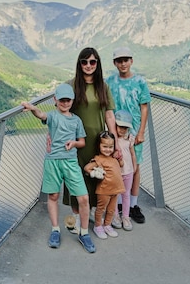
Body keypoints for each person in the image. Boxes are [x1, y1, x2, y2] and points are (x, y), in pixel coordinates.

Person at [21, 83, 96, 253]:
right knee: (53, 195)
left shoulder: (76, 120)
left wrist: (74, 143)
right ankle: (55, 230)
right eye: (61, 100)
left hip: (70, 162)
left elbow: (82, 142)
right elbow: (41, 114)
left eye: (68, 100)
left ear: (72, 100)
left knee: (83, 198)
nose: (65, 103)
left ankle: (84, 233)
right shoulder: (53, 117)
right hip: (52, 161)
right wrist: (32, 108)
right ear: (55, 100)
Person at [62, 47, 119, 235]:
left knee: (97, 180)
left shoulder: (103, 86)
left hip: (98, 142)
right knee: (75, 178)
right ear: (79, 64)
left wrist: (115, 143)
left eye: (92, 62)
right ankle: (77, 218)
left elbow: (109, 116)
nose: (88, 66)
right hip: (76, 142)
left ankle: (94, 215)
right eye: (84, 62)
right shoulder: (71, 86)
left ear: (97, 64)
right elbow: (61, 113)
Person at [106, 46, 151, 224]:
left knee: (134, 167)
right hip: (115, 133)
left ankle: (132, 205)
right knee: (116, 166)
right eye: (119, 60)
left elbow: (144, 107)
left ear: (131, 61)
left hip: (133, 133)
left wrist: (141, 131)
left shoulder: (140, 82)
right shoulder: (109, 81)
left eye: (126, 60)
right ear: (115, 63)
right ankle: (118, 204)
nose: (123, 63)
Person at [83, 131, 125, 239]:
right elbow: (87, 168)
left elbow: (121, 165)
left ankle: (107, 225)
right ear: (99, 146)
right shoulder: (98, 159)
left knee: (111, 210)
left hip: (115, 190)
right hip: (104, 190)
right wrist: (94, 173)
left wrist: (120, 158)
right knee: (101, 209)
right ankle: (97, 226)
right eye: (105, 146)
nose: (108, 149)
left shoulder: (113, 158)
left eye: (111, 147)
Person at [112, 110, 138, 231]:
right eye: (120, 127)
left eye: (125, 128)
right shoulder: (112, 139)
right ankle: (115, 215)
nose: (122, 130)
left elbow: (132, 154)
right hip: (116, 172)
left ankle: (126, 217)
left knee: (126, 194)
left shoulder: (129, 139)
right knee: (115, 194)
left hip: (128, 171)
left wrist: (134, 167)